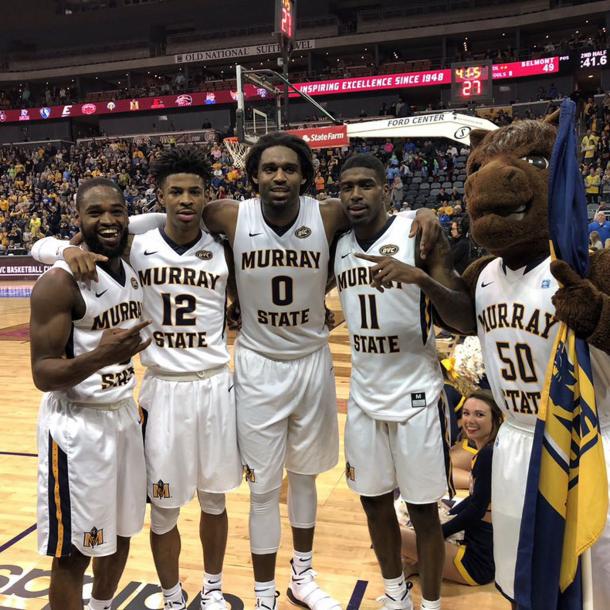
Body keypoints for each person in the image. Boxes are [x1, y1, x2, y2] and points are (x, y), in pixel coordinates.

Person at [196, 134, 440, 610]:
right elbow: (167, 218)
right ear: (254, 177)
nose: (279, 177)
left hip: (311, 363)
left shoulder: (327, 215)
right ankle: (264, 594)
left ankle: (302, 577)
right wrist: (64, 244)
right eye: (269, 169)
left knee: (304, 477)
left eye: (290, 168)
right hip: (257, 365)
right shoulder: (228, 214)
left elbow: (385, 218)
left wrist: (422, 215)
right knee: (264, 487)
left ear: (306, 177)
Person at [31, 147, 243, 610]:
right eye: (175, 192)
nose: (185, 199)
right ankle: (170, 596)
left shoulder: (218, 244)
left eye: (194, 191)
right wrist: (64, 248)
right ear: (160, 197)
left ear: (207, 196)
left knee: (140, 522)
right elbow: (45, 247)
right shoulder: (136, 244)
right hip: (149, 395)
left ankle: (207, 590)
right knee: (145, 518)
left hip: (188, 392)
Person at [334, 153, 472, 610]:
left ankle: (429, 604)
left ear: (387, 190)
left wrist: (421, 280)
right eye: (347, 186)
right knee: (372, 500)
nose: (356, 194)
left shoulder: (419, 233)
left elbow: (462, 320)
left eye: (366, 185)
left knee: (422, 511)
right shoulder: (338, 241)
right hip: (364, 394)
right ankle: (395, 593)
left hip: (417, 393)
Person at [30, 178, 150, 610]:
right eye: (95, 213)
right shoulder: (58, 285)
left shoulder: (130, 258)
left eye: (116, 211)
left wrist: (56, 244)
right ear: (78, 219)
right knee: (74, 553)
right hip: (77, 430)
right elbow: (43, 374)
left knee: (121, 533)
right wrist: (101, 357)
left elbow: (177, 217)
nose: (108, 220)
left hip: (122, 418)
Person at [400, 390, 502, 587]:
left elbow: (476, 510)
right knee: (416, 524)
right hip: (479, 549)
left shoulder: (488, 456)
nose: (470, 420)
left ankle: (418, 563)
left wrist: (439, 532)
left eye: (479, 414)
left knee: (393, 535)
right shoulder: (488, 451)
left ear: (496, 419)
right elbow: (474, 501)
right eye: (466, 413)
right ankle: (418, 565)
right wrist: (449, 514)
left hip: (475, 563)